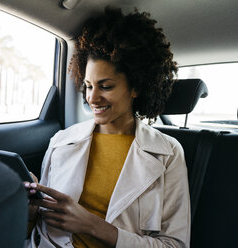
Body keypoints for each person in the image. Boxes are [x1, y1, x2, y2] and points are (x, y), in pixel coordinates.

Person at [25, 8, 190, 248]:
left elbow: (174, 244)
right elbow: (41, 229)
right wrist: (31, 213)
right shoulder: (61, 141)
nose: (92, 98)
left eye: (106, 86)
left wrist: (91, 225)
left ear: (136, 88)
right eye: (89, 86)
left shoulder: (169, 153)